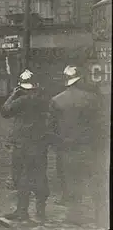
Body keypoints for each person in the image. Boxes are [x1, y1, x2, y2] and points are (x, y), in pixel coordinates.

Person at [47, 65, 105, 226]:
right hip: (90, 148)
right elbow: (101, 126)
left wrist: (59, 144)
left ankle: (75, 216)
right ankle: (101, 216)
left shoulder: (56, 100)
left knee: (72, 182)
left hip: (67, 149)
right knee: (96, 183)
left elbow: (50, 130)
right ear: (80, 80)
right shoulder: (93, 99)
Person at [1, 69, 51, 222]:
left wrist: (13, 95)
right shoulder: (44, 99)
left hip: (23, 145)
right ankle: (41, 211)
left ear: (20, 87)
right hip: (40, 144)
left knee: (22, 177)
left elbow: (5, 111)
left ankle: (22, 212)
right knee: (41, 176)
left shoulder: (21, 101)